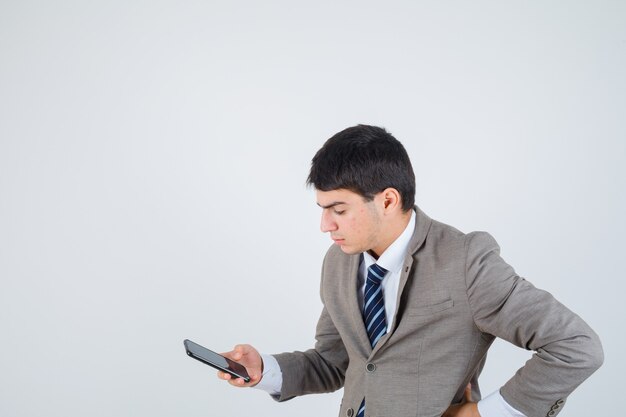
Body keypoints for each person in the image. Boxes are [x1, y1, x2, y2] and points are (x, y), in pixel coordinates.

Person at [217, 125, 603, 417]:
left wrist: (487, 414)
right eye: (322, 210)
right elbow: (336, 363)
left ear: (387, 200)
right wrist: (263, 369)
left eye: (338, 210)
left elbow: (576, 347)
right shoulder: (338, 262)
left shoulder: (466, 259)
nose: (325, 226)